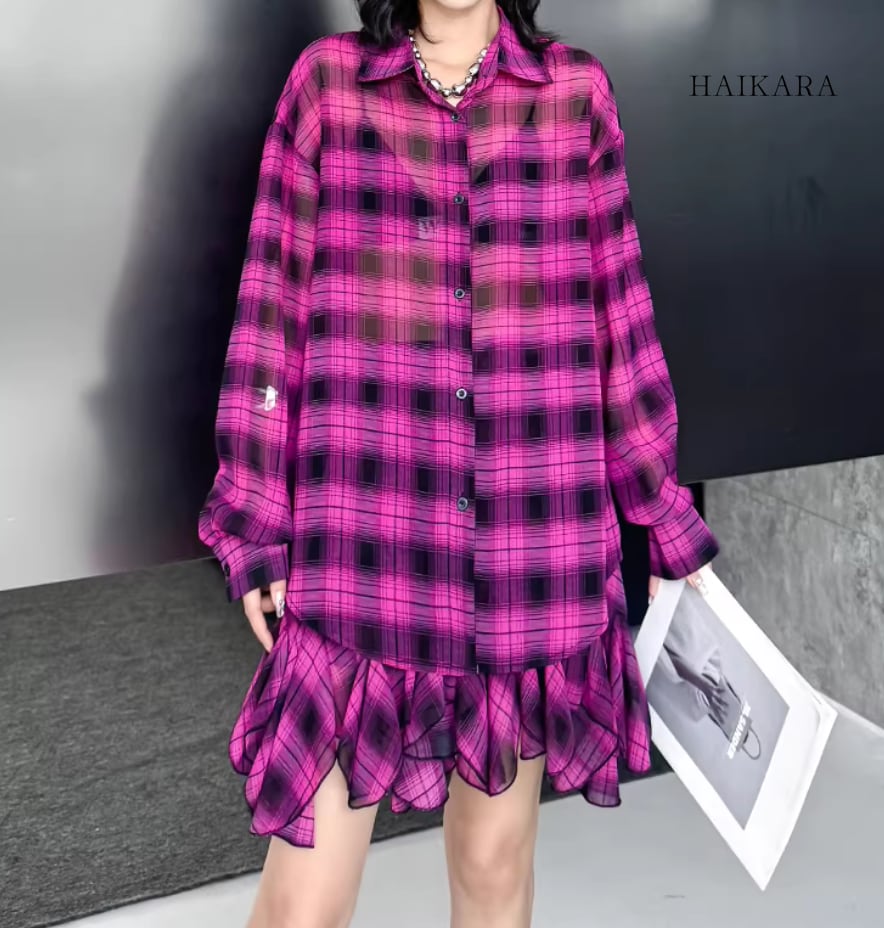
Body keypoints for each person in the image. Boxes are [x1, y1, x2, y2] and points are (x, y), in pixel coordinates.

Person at [197, 1, 720, 925]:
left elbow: (621, 315)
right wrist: (253, 518)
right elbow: (271, 308)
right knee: (302, 904)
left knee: (493, 867)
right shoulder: (328, 86)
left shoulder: (575, 93)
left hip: (534, 543)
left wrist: (660, 509)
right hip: (365, 543)